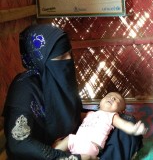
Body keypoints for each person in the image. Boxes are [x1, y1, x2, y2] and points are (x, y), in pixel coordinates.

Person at [2, 24, 143, 160]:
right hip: (48, 152)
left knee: (126, 125)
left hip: (77, 141)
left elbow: (72, 114)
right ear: (42, 60)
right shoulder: (24, 88)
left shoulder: (61, 80)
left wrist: (104, 117)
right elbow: (19, 144)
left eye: (69, 54)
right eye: (61, 57)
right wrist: (71, 157)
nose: (69, 60)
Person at [54, 92, 148, 156]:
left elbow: (123, 124)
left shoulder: (112, 116)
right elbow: (72, 116)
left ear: (120, 111)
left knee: (69, 138)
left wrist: (134, 129)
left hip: (90, 146)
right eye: (109, 96)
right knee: (64, 142)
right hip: (78, 145)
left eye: (117, 100)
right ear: (101, 101)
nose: (112, 98)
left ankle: (50, 153)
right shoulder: (89, 113)